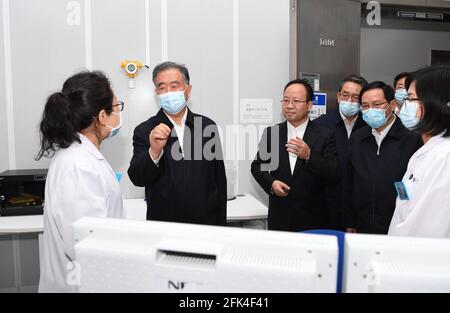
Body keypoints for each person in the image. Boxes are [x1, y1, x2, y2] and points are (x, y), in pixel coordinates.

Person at [36, 71, 125, 292]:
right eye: (117, 106)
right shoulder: (78, 166)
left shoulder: (81, 156)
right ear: (102, 117)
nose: (119, 113)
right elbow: (87, 247)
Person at [127, 61, 227, 226]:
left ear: (188, 90)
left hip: (206, 224)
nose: (168, 92)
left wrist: (221, 227)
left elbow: (219, 179)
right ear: (156, 92)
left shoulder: (207, 126)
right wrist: (154, 151)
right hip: (164, 224)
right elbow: (137, 178)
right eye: (162, 87)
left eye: (174, 86)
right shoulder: (145, 130)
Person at [251, 79, 340, 231]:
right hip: (280, 217)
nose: (290, 105)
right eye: (286, 100)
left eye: (296, 101)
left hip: (313, 219)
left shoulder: (325, 135)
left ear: (309, 105)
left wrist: (309, 155)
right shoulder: (272, 133)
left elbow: (333, 173)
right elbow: (258, 167)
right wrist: (271, 184)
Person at [344, 81, 422, 234]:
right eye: (365, 106)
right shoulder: (358, 138)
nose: (370, 110)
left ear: (392, 105)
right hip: (362, 224)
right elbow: (349, 181)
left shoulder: (411, 138)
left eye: (377, 104)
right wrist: (349, 220)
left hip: (398, 224)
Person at [389, 65, 450, 238]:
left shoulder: (444, 157)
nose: (404, 106)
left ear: (435, 104)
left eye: (410, 99)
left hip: (417, 258)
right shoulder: (424, 152)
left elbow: (426, 229)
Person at [315, 74, 368, 230]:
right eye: (345, 95)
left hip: (359, 205)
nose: (350, 100)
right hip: (326, 204)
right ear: (338, 96)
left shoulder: (369, 126)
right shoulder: (321, 125)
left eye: (355, 97)